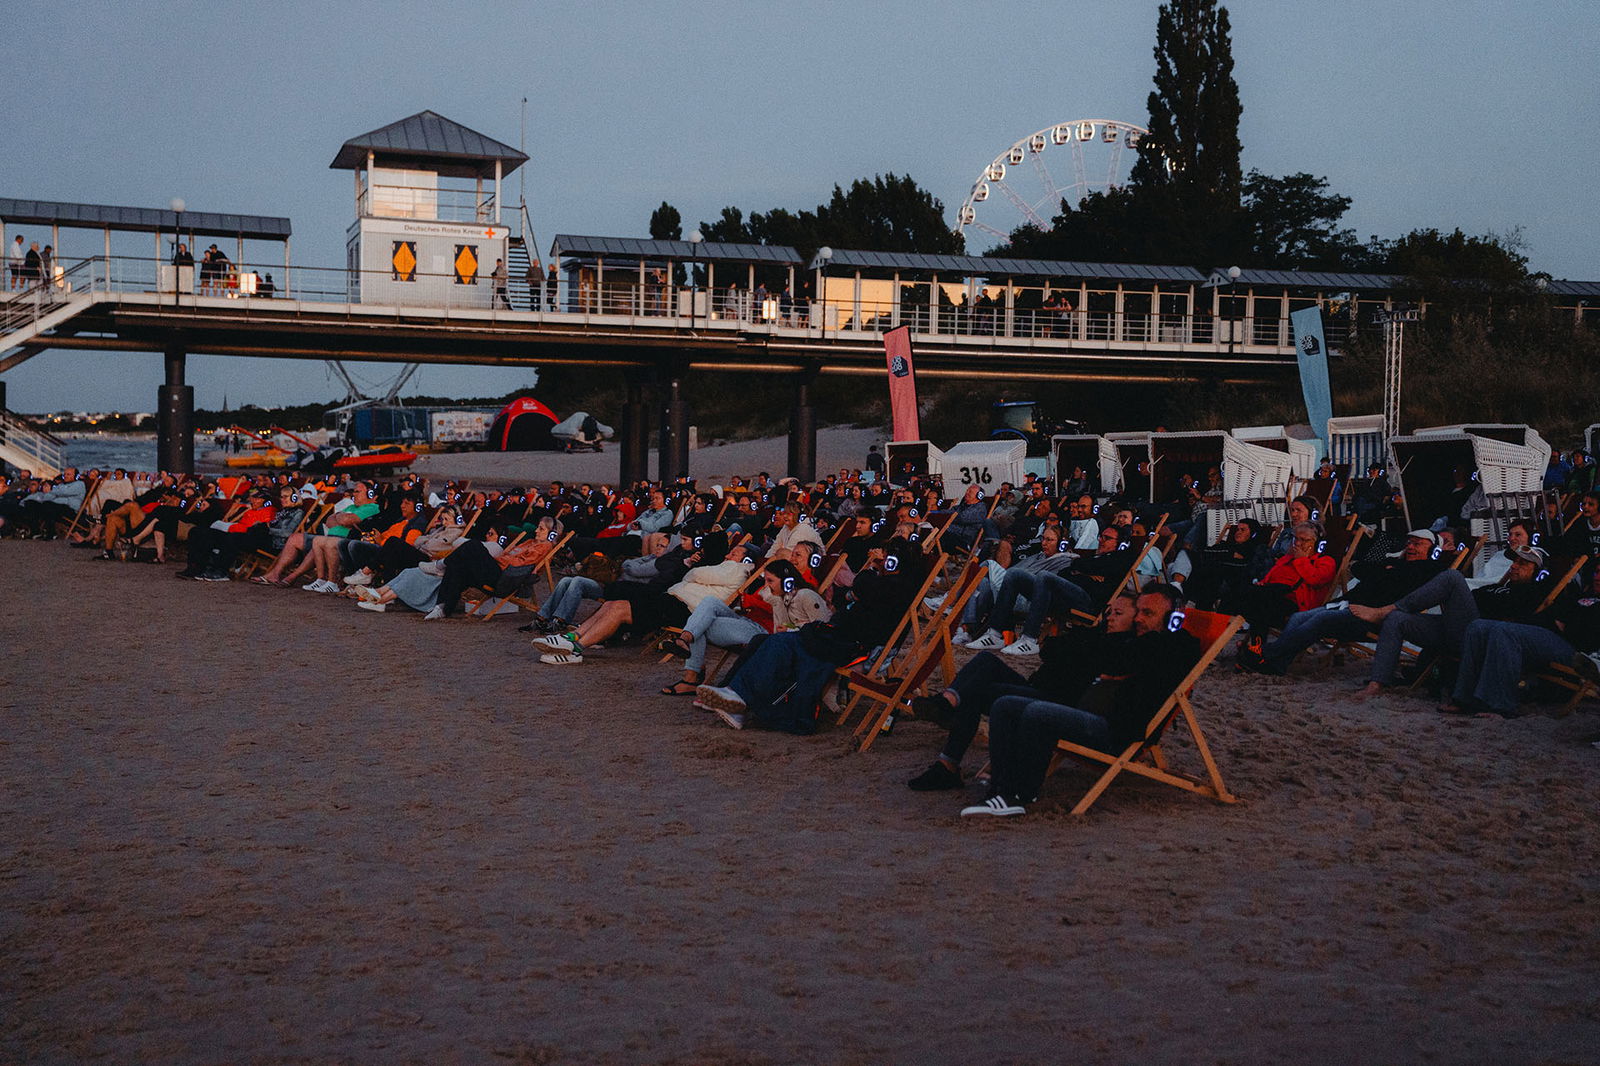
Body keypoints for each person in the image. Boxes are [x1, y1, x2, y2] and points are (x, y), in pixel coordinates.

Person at [960, 583, 1201, 817]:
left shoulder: (1176, 646)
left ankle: (1017, 795)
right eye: (1138, 611)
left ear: (1172, 620)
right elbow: (1104, 657)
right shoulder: (1138, 642)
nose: (1138, 619)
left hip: (1114, 730)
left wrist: (1109, 658)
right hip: (1087, 713)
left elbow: (1119, 659)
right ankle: (999, 789)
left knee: (1037, 713)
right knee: (1006, 705)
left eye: (1148, 613)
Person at [905, 591, 1138, 792]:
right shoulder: (1096, 637)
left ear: (1135, 620)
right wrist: (1075, 647)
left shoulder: (1124, 647)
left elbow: (1062, 652)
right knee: (986, 660)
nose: (1109, 617)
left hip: (1054, 703)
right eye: (1108, 612)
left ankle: (948, 763)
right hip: (1037, 686)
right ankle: (947, 702)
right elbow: (1047, 650)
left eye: (1118, 614)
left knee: (976, 691)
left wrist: (1074, 647)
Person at [1353, 544, 1555, 696]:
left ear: (1537, 572)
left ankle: (1385, 610)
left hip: (1477, 636)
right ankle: (1377, 682)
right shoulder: (1496, 587)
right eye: (1514, 561)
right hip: (1456, 628)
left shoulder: (1531, 593)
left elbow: (1515, 621)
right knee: (1397, 619)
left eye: (1522, 563)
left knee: (1452, 577)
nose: (1514, 566)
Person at [1239, 529, 1447, 676]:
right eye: (1409, 542)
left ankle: (1263, 654)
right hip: (1346, 604)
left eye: (1418, 544)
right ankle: (1277, 665)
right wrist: (1386, 570)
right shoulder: (1394, 562)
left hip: (1371, 615)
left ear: (1433, 550)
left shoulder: (1429, 569)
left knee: (1320, 621)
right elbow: (1359, 568)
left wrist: (1385, 572)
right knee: (1299, 617)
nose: (1410, 547)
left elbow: (1395, 580)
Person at [1443, 564, 1600, 717]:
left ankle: (1500, 705)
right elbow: (1550, 615)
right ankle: (1464, 698)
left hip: (1577, 652)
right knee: (1478, 627)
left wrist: (1566, 624)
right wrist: (1556, 622)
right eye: (1597, 572)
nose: (1597, 577)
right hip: (1550, 634)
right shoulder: (1582, 596)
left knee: (1505, 632)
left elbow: (1586, 634)